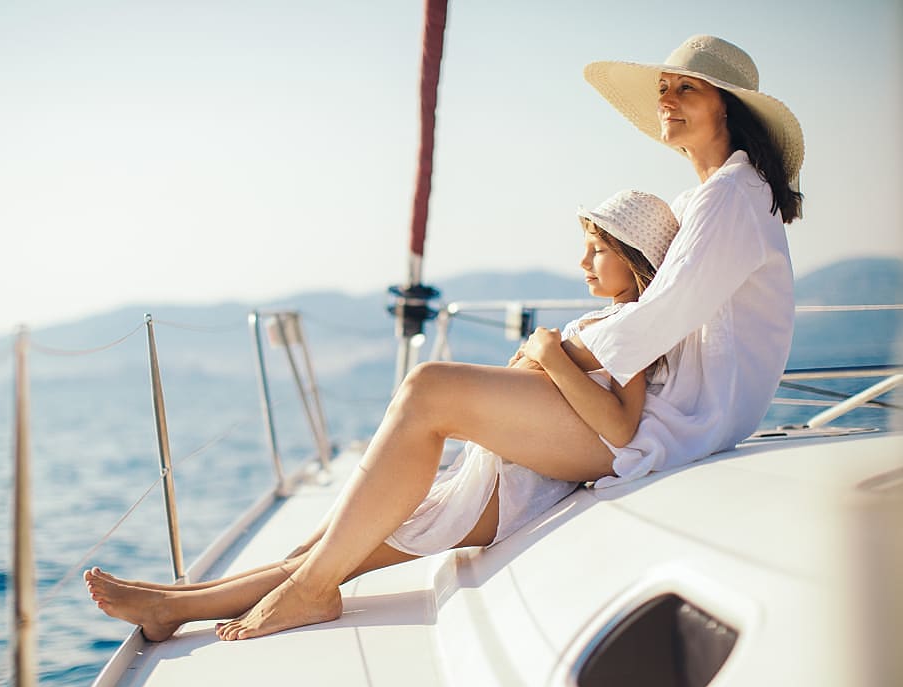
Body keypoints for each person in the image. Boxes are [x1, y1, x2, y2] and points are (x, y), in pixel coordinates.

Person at [88, 33, 803, 642]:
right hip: (656, 416)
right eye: (665, 88)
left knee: (429, 389)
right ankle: (173, 605)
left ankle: (297, 593)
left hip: (671, 428)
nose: (667, 99)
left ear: (728, 109)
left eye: (688, 90)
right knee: (341, 536)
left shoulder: (733, 199)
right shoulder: (704, 199)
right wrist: (547, 364)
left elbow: (658, 316)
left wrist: (546, 355)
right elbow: (647, 317)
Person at [86, 190, 679, 642]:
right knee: (321, 547)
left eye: (599, 250)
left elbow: (622, 426)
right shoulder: (606, 320)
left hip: (520, 487)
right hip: (499, 471)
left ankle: (174, 608)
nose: (583, 261)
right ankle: (172, 596)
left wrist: (548, 354)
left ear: (634, 259)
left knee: (336, 557)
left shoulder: (633, 326)